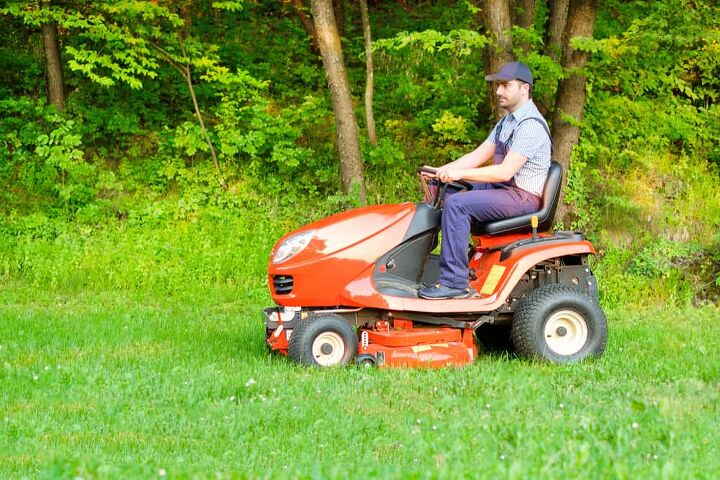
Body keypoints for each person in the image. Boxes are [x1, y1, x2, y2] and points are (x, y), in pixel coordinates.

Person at [418, 61, 552, 299]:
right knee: (444, 190)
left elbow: (504, 172)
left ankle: (454, 283)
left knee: (458, 204)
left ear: (524, 89)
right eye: (498, 86)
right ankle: (420, 264)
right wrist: (439, 171)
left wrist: (460, 174)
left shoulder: (531, 126)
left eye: (505, 85)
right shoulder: (507, 121)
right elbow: (477, 156)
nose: (499, 91)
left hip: (522, 197)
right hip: (503, 190)